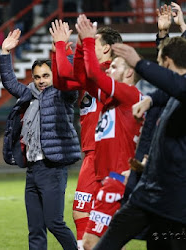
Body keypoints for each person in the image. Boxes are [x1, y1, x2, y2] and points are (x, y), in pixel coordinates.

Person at [93, 36, 186, 250]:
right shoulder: (170, 93)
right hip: (149, 193)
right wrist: (151, 99)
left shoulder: (180, 89)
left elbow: (178, 86)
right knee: (109, 241)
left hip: (176, 200)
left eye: (161, 64)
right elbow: (170, 88)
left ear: (168, 63)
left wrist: (138, 63)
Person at [0, 29, 81, 250]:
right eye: (37, 77)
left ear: (53, 75)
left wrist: (62, 51)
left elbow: (69, 78)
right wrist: (5, 53)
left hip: (53, 167)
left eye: (46, 75)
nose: (41, 81)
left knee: (54, 222)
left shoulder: (63, 93)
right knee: (35, 228)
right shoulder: (29, 94)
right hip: (33, 168)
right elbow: (10, 84)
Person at [49, 19, 123, 250]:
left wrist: (64, 47)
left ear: (105, 48)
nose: (89, 45)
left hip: (110, 154)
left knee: (105, 216)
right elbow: (62, 81)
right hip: (92, 152)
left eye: (94, 42)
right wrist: (59, 49)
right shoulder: (92, 74)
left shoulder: (109, 71)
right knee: (83, 212)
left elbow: (67, 73)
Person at [72, 15, 143, 250]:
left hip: (119, 178)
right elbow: (83, 76)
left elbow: (93, 74)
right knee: (98, 242)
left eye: (115, 67)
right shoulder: (111, 98)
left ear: (130, 73)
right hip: (107, 178)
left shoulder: (128, 94)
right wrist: (82, 46)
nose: (109, 69)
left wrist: (89, 42)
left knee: (98, 242)